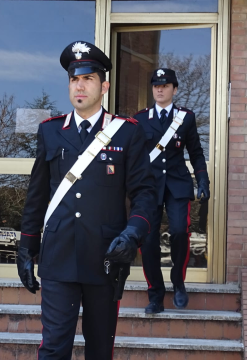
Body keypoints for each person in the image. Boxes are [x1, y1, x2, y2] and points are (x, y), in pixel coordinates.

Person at [16, 41, 156, 359]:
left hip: (105, 258)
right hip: (58, 257)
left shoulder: (127, 133)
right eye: (74, 79)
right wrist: (26, 247)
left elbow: (144, 193)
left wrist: (133, 233)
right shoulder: (50, 132)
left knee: (99, 351)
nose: (80, 86)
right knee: (53, 348)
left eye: (88, 78)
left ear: (104, 85)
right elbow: (37, 194)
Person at [133, 68, 210, 314]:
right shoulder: (140, 119)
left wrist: (202, 179)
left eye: (165, 86)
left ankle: (178, 282)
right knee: (149, 242)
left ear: (174, 89)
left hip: (177, 184)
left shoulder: (185, 118)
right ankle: (155, 295)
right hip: (149, 187)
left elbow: (196, 153)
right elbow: (134, 157)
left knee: (179, 232)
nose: (159, 89)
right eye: (156, 85)